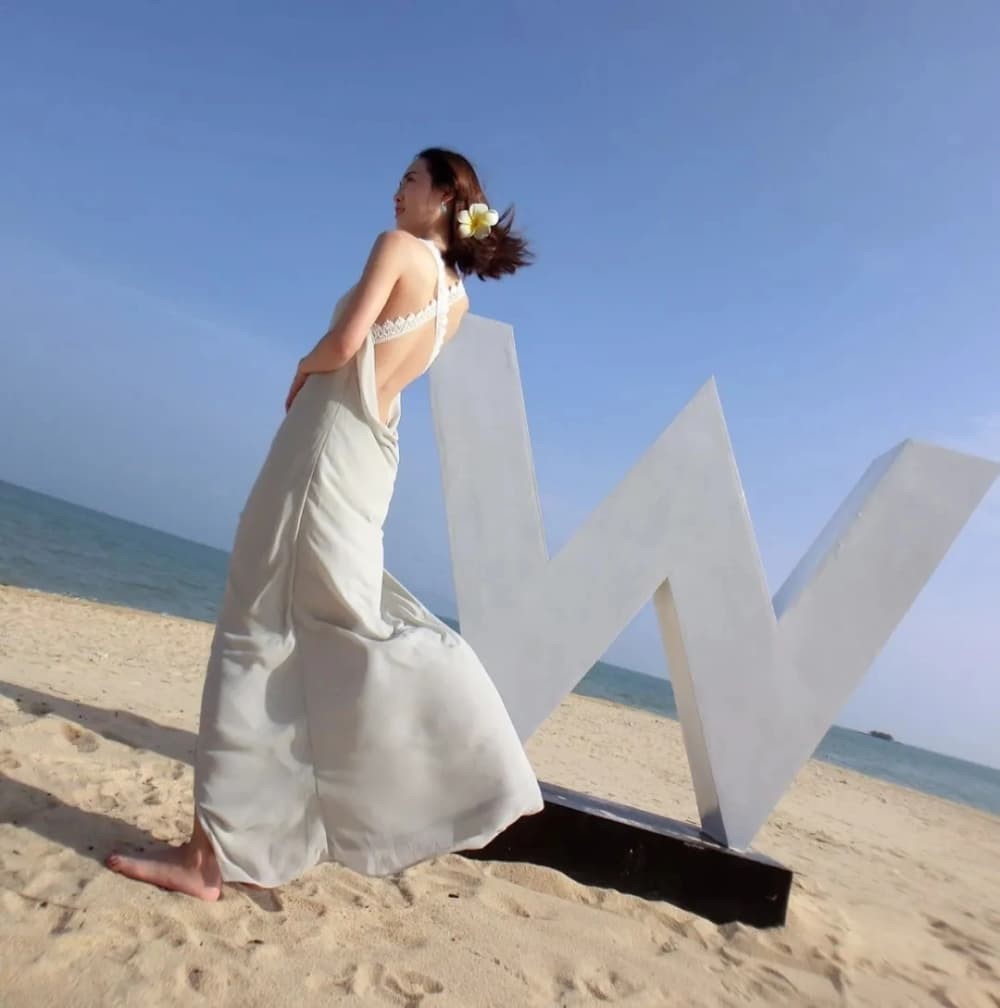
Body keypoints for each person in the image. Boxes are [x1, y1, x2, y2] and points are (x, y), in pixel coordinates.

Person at [106, 148, 545, 900]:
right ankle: (253, 834)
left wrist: (303, 367)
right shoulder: (459, 301)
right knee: (327, 621)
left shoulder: (397, 248)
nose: (396, 189)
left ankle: (207, 858)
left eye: (411, 178)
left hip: (325, 444)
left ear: (445, 196)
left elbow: (346, 346)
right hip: (369, 459)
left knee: (254, 626)